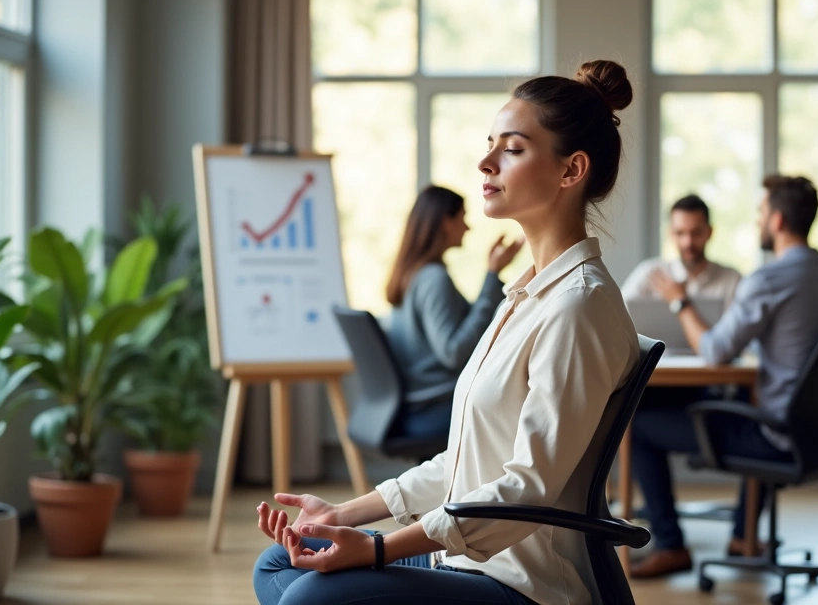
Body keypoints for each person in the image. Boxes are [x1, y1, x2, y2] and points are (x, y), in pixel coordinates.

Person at [253, 59, 640, 605]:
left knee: (307, 596)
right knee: (278, 565)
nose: (485, 161)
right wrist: (343, 515)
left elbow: (526, 490)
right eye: (490, 143)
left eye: (512, 148)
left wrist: (379, 550)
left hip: (522, 584)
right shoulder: (525, 296)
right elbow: (460, 463)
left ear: (570, 170)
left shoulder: (579, 307)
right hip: (461, 556)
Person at [628, 174, 818, 579]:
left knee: (639, 424)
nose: (757, 221)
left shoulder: (769, 279)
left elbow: (716, 351)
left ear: (776, 221)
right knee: (750, 401)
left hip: (774, 434)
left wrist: (680, 302)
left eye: (760, 212)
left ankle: (670, 545)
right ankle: (743, 534)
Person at [383, 185, 524, 440]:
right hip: (434, 405)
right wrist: (492, 276)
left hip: (416, 403)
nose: (467, 227)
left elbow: (460, 321)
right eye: (462, 218)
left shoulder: (414, 274)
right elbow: (454, 352)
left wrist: (492, 274)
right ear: (445, 223)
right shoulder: (433, 279)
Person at [620, 194, 741, 308]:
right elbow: (616, 314)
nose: (688, 242)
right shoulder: (648, 274)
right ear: (671, 234)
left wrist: (678, 300)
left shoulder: (732, 281)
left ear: (709, 232)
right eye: (680, 233)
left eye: (696, 233)